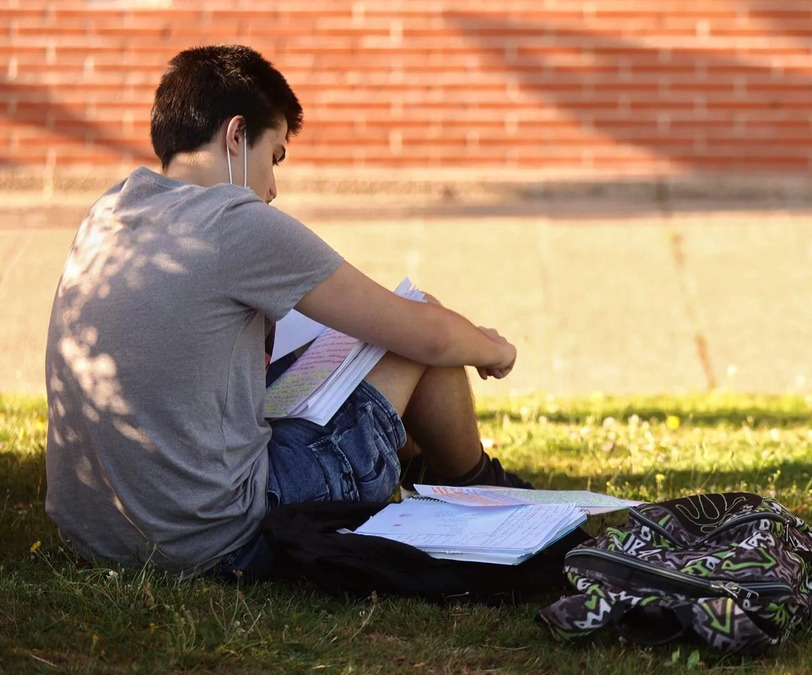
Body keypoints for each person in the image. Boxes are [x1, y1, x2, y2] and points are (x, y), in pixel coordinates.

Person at [43, 44, 530, 582]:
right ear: (234, 136)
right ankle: (486, 493)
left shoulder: (108, 212)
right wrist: (495, 348)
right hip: (218, 539)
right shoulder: (236, 223)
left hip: (95, 536)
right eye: (273, 157)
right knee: (423, 322)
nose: (273, 189)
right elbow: (428, 337)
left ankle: (437, 474)